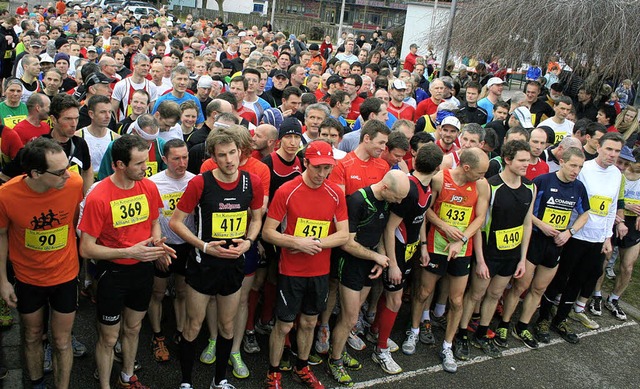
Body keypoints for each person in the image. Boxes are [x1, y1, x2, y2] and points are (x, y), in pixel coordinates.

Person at [78, 135, 175, 389]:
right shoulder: (99, 196)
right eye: (139, 163)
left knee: (133, 329)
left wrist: (156, 244)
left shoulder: (148, 186)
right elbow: (86, 248)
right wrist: (130, 252)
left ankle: (128, 376)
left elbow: (154, 221)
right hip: (112, 274)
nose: (146, 168)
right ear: (119, 165)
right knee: (109, 338)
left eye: (146, 161)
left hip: (142, 270)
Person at [170, 127, 264, 389]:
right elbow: (176, 222)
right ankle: (186, 381)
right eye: (222, 155)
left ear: (240, 152)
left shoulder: (251, 182)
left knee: (227, 325)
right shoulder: (200, 183)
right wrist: (204, 246)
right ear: (213, 156)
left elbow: (256, 218)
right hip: (203, 265)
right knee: (193, 325)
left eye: (233, 153)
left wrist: (248, 242)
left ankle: (220, 379)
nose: (229, 160)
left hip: (233, 264)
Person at [263, 140, 350, 389]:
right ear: (305, 163)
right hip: (291, 270)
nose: (322, 174)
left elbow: (344, 234)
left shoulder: (335, 193)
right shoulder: (287, 191)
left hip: (320, 271)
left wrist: (317, 243)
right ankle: (274, 372)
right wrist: (297, 243)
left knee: (310, 322)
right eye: (318, 168)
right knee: (285, 324)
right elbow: (268, 232)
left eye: (328, 168)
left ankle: (303, 367)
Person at [0, 138, 83, 389]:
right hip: (28, 279)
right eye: (59, 173)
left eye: (67, 167)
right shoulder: (7, 195)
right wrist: (2, 281)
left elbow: (75, 221)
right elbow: (1, 235)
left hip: (66, 275)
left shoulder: (74, 183)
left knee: (61, 340)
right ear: (35, 173)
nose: (67, 177)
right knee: (33, 335)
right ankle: (36, 383)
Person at [327, 170, 411, 386]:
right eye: (398, 196)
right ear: (385, 187)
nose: (399, 201)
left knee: (352, 317)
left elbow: (380, 232)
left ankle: (340, 350)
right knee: (350, 317)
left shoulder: (386, 201)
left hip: (368, 262)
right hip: (351, 264)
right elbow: (347, 242)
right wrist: (377, 256)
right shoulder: (357, 200)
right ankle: (335, 360)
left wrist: (380, 258)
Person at [538, 132, 624, 343]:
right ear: (599, 147)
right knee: (560, 278)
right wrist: (568, 231)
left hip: (596, 239)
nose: (612, 155)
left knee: (578, 281)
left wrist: (607, 238)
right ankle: (542, 318)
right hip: (575, 235)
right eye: (609, 149)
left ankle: (561, 319)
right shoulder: (584, 169)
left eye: (617, 151)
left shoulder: (616, 174)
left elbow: (611, 208)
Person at [410, 148, 490, 373]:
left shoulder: (481, 185)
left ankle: (447, 345)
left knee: (456, 300)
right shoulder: (439, 179)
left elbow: (480, 218)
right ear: (466, 168)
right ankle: (414, 331)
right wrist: (444, 226)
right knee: (424, 292)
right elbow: (426, 210)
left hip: (461, 249)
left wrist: (462, 239)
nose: (483, 176)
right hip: (436, 244)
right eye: (480, 172)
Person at [457, 140, 535, 358]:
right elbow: (480, 223)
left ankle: (482, 332)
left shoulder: (530, 187)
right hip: (489, 252)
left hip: (511, 253)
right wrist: (480, 260)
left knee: (495, 293)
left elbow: (527, 223)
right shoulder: (490, 185)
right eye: (521, 160)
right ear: (507, 160)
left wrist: (522, 259)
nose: (525, 165)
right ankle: (461, 333)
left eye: (528, 161)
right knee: (476, 294)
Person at [373, 143, 442, 366]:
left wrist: (423, 245)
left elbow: (420, 217)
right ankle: (381, 349)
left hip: (411, 249)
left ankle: (377, 331)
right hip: (399, 251)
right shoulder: (409, 189)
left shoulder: (427, 187)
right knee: (394, 299)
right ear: (438, 167)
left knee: (393, 296)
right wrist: (392, 264)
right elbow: (389, 228)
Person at [147, 139, 196, 362]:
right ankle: (158, 336)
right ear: (164, 159)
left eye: (185, 157)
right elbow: (149, 220)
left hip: (186, 246)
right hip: (163, 245)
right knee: (157, 293)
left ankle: (180, 332)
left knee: (182, 292)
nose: (182, 162)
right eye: (176, 158)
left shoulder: (195, 181)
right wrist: (156, 247)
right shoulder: (153, 183)